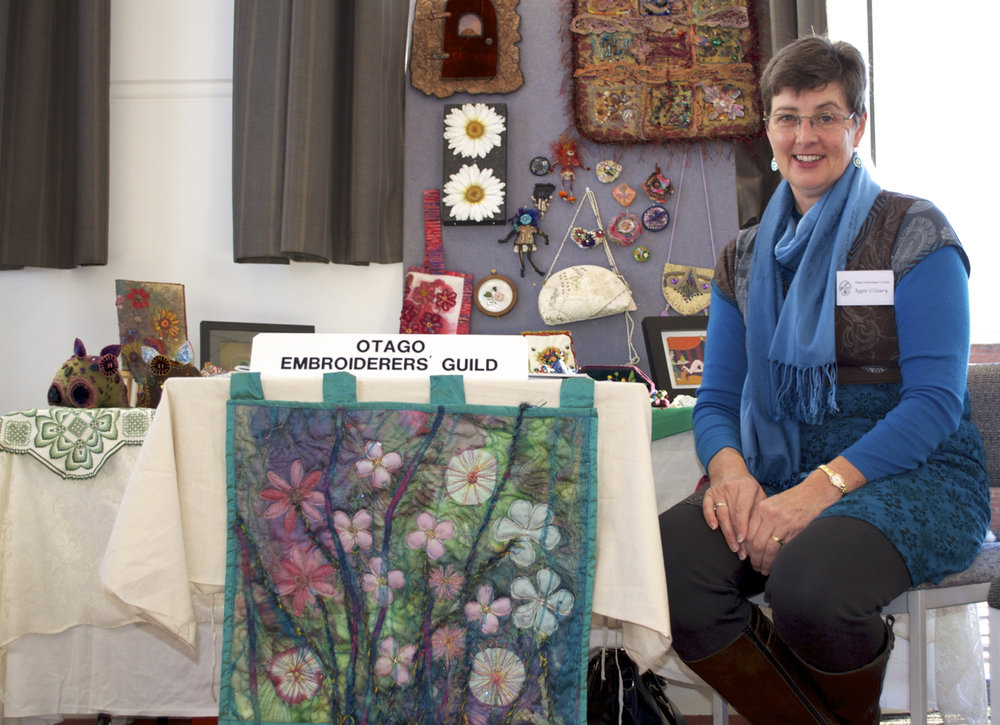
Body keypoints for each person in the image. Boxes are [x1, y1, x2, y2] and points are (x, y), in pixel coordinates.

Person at [658, 35, 990, 724]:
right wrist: (730, 474)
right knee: (667, 567)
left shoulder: (915, 232)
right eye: (788, 117)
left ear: (857, 126)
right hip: (776, 467)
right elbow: (716, 400)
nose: (805, 136)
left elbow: (935, 404)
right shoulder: (743, 256)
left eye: (825, 116)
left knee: (811, 586)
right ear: (768, 129)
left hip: (914, 474)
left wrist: (818, 491)